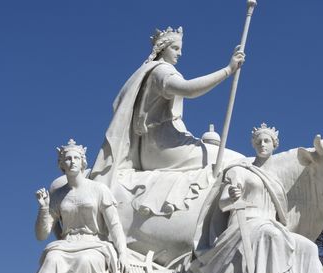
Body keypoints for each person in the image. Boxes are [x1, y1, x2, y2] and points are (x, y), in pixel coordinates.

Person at [174, 124, 323, 273]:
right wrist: (233, 195)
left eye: (266, 141)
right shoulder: (240, 170)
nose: (262, 144)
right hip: (244, 224)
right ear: (253, 145)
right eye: (258, 141)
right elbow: (223, 202)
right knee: (271, 235)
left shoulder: (275, 180)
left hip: (269, 225)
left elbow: (280, 215)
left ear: (275, 144)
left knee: (308, 247)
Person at [91, 27, 245, 183]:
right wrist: (228, 70)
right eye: (175, 48)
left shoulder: (151, 71)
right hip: (164, 148)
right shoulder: (161, 71)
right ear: (162, 49)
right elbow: (189, 89)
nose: (180, 53)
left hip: (158, 147)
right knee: (238, 161)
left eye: (180, 49)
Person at [11, 139, 131, 273]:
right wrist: (43, 209)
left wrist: (122, 252)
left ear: (83, 161)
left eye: (76, 158)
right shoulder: (58, 195)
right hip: (66, 244)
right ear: (61, 164)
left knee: (86, 260)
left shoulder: (99, 189)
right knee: (52, 259)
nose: (72, 161)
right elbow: (41, 235)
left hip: (94, 244)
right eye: (67, 159)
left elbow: (115, 225)